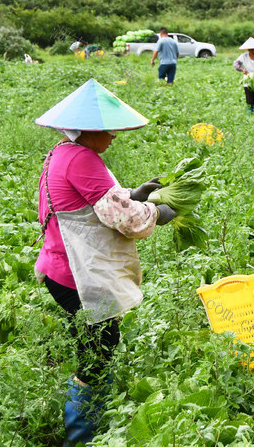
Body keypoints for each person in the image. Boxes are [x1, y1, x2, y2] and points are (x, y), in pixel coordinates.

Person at [33, 78, 176, 445]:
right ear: (87, 131)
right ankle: (82, 435)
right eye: (106, 130)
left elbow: (87, 205)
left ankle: (93, 423)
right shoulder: (82, 158)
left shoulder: (60, 153)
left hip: (58, 267)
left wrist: (131, 194)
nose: (113, 135)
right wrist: (156, 212)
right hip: (76, 274)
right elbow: (124, 220)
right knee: (97, 352)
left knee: (97, 344)